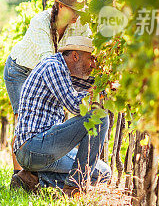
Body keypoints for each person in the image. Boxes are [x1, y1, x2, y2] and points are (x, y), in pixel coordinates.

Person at [3, 0, 92, 176]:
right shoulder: (40, 22)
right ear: (59, 6)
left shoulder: (76, 25)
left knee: (53, 120)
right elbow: (48, 62)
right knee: (22, 121)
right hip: (20, 70)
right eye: (73, 11)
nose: (77, 16)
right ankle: (19, 175)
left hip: (46, 72)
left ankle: (42, 168)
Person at [10, 34, 110, 195]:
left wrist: (107, 83)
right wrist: (96, 92)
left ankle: (32, 179)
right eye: (91, 59)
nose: (93, 65)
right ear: (76, 56)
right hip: (33, 146)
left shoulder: (66, 72)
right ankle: (74, 188)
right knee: (99, 117)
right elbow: (74, 105)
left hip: (44, 150)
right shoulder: (53, 67)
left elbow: (87, 85)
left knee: (103, 173)